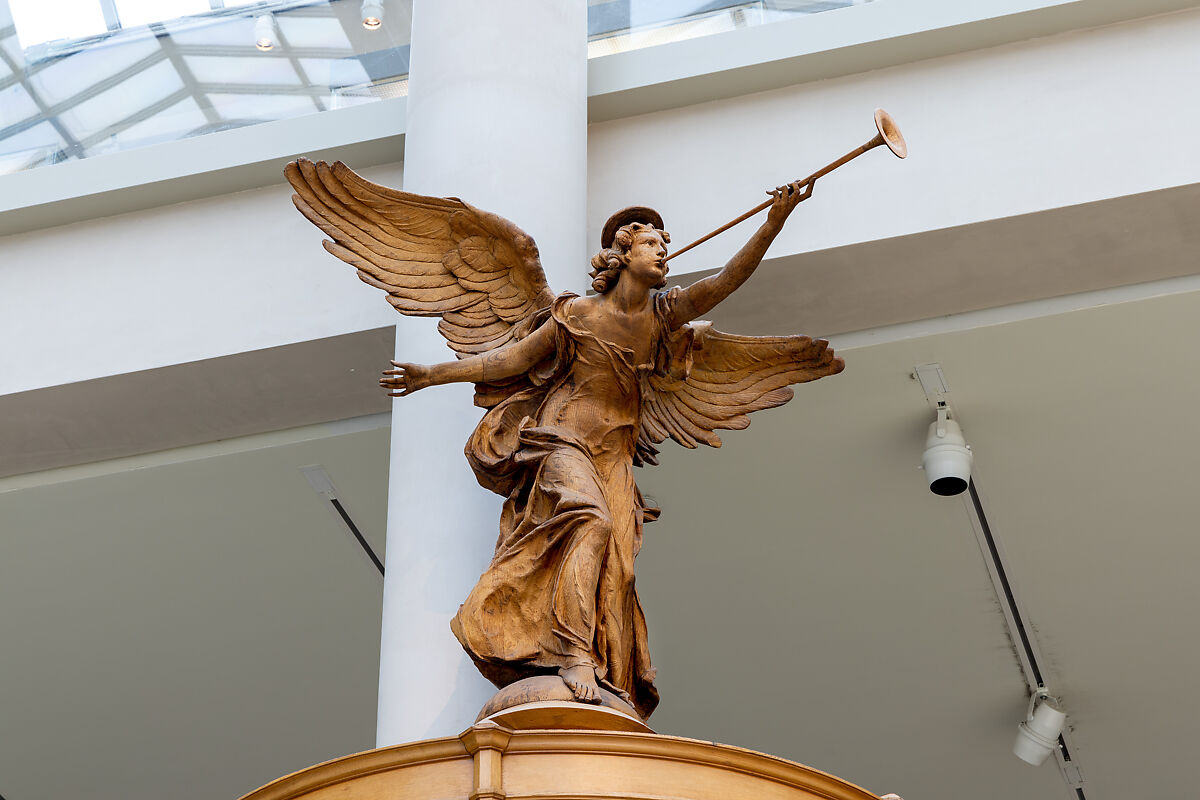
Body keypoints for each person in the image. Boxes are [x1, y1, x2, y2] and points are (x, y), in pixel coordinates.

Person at [379, 180, 818, 719]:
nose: (664, 250)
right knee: (589, 521)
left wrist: (774, 220)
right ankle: (571, 654)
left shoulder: (664, 316)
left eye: (666, 243)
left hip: (614, 453)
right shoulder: (578, 315)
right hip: (561, 439)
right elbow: (511, 361)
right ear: (624, 254)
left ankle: (601, 663)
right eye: (653, 243)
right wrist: (432, 373)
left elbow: (728, 280)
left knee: (620, 571)